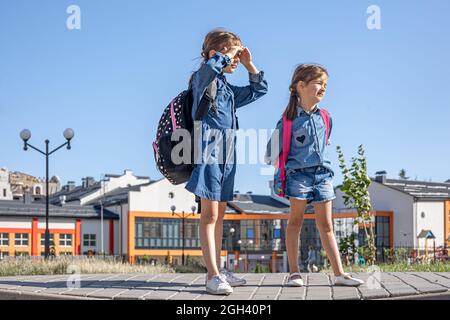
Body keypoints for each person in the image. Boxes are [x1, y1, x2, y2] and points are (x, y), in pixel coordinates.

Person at [185, 29, 268, 295]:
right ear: (214, 54)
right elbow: (211, 69)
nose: (235, 58)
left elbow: (259, 90)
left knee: (220, 214)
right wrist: (226, 55)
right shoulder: (202, 79)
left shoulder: (227, 89)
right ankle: (211, 276)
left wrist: (248, 64)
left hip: (227, 155)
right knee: (208, 215)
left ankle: (218, 271)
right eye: (232, 53)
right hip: (208, 153)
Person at [265, 64, 364, 287]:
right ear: (301, 86)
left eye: (325, 84)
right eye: (319, 83)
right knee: (295, 222)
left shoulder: (326, 118)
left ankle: (339, 274)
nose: (323, 88)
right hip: (298, 176)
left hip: (323, 176)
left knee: (326, 225)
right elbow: (269, 154)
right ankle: (294, 273)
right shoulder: (287, 122)